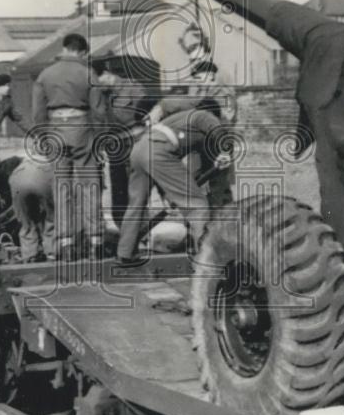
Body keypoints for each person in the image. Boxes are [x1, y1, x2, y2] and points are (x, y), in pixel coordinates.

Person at [117, 98, 232, 266]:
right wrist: (225, 152)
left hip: (139, 149)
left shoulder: (180, 119)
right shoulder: (204, 115)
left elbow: (186, 174)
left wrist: (172, 194)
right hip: (158, 152)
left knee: (136, 204)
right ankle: (206, 261)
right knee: (197, 206)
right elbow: (220, 133)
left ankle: (125, 253)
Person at [31, 33, 104, 260]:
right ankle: (95, 241)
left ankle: (65, 243)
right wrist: (100, 138)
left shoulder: (45, 74)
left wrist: (43, 136)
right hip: (82, 129)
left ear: (64, 49)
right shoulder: (87, 72)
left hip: (54, 130)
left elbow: (37, 113)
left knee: (61, 187)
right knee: (90, 184)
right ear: (82, 52)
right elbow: (99, 111)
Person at [150, 60, 237, 207]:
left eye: (198, 78)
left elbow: (223, 120)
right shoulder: (201, 91)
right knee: (200, 180)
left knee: (218, 183)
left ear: (210, 76)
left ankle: (223, 220)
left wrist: (165, 105)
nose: (195, 82)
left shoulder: (223, 93)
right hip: (202, 141)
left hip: (217, 143)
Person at [92, 59, 149, 229]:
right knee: (118, 191)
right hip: (114, 147)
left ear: (107, 74)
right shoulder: (100, 95)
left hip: (135, 143)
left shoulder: (132, 88)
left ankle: (141, 230)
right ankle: (123, 229)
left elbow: (147, 115)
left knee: (137, 190)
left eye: (96, 80)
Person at [3, 155, 56, 262]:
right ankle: (52, 252)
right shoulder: (55, 159)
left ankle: (29, 255)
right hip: (44, 176)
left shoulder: (19, 161)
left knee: (26, 222)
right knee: (53, 217)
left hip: (17, 179)